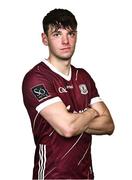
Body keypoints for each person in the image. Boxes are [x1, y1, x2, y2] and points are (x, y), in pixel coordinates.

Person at [22, 8, 115, 180]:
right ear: (45, 39)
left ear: (76, 36)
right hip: (52, 175)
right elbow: (67, 128)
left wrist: (75, 119)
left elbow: (109, 125)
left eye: (70, 33)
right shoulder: (37, 78)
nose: (65, 41)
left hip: (86, 175)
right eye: (57, 34)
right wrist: (91, 112)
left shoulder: (83, 77)